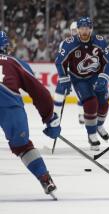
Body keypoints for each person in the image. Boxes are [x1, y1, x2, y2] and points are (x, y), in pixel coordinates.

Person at [0, 31, 61, 198]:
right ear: (6, 47)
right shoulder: (14, 63)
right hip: (9, 106)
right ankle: (44, 178)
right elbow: (39, 91)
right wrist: (49, 118)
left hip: (9, 105)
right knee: (22, 145)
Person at [55, 17, 109, 151]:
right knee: (90, 103)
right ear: (77, 29)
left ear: (91, 29)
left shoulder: (100, 41)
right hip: (79, 79)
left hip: (96, 77)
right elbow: (60, 62)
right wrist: (64, 79)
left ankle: (99, 125)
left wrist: (104, 77)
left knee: (104, 103)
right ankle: (92, 134)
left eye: (87, 28)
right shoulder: (69, 43)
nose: (84, 31)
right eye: (82, 28)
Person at [54, 21, 85, 125]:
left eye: (76, 30)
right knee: (59, 93)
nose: (75, 32)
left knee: (82, 94)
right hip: (66, 72)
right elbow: (60, 60)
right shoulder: (64, 43)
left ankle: (81, 114)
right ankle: (56, 116)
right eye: (73, 30)